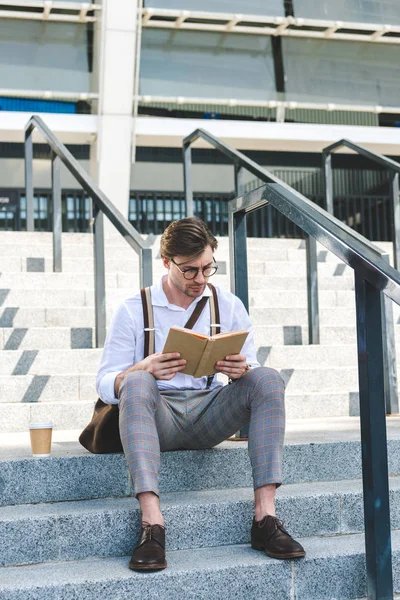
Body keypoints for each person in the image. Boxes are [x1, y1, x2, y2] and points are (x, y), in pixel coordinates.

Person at [96, 217, 305, 570]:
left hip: (210, 413)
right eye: (190, 270)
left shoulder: (228, 304)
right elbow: (103, 383)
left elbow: (250, 366)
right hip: (157, 417)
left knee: (268, 379)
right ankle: (152, 525)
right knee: (135, 381)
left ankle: (265, 518)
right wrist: (142, 368)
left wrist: (242, 370)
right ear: (166, 262)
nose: (200, 279)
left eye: (208, 268)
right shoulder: (134, 309)